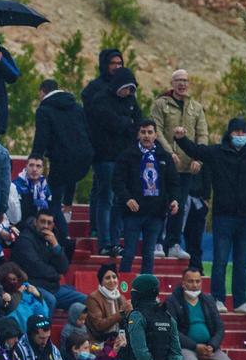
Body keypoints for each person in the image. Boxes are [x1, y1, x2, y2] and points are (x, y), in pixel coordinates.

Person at [175, 118, 246, 313]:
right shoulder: (217, 153)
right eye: (236, 132)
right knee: (220, 260)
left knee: (242, 263)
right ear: (229, 133)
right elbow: (196, 150)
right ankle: (218, 299)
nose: (240, 136)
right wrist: (181, 139)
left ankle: (241, 301)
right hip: (223, 216)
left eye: (243, 132)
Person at [150, 69, 210, 261]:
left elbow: (202, 134)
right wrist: (169, 152)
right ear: (172, 83)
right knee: (160, 203)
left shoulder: (196, 107)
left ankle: (174, 243)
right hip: (163, 164)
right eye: (178, 80)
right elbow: (156, 129)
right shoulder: (161, 104)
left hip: (186, 167)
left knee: (181, 205)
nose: (182, 84)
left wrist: (198, 158)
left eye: (185, 80)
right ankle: (157, 241)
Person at [89, 67, 143, 256]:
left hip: (125, 157)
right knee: (107, 199)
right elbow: (109, 122)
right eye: (126, 88)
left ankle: (115, 240)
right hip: (105, 157)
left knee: (121, 200)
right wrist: (126, 123)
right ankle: (104, 242)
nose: (128, 93)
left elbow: (138, 122)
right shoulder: (101, 98)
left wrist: (127, 124)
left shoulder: (130, 101)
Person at [115, 120, 180, 275]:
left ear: (155, 135)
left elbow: (174, 182)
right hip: (133, 212)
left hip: (156, 213)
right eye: (143, 132)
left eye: (150, 132)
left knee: (149, 254)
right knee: (129, 252)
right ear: (138, 134)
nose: (146, 136)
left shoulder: (164, 156)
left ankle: (147, 291)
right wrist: (127, 199)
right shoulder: (127, 155)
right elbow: (117, 181)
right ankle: (123, 287)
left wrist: (174, 199)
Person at [31, 79, 93, 217]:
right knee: (70, 180)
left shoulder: (44, 110)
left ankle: (62, 233)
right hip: (83, 157)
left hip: (61, 159)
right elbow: (87, 131)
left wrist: (35, 157)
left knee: (53, 200)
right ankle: (67, 212)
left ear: (42, 91)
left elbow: (41, 137)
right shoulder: (76, 107)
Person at [164, 267, 237, 360]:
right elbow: (172, 331)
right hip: (184, 348)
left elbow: (220, 327)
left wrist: (212, 345)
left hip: (209, 348)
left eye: (198, 281)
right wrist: (195, 346)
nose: (195, 285)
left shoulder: (208, 300)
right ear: (183, 283)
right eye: (190, 281)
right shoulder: (172, 301)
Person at [13, 210, 85, 312]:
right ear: (35, 222)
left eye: (49, 223)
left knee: (85, 300)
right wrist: (55, 274)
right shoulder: (25, 239)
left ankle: (75, 328)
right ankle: (44, 328)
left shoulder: (52, 238)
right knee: (50, 300)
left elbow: (64, 268)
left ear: (53, 225)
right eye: (42, 221)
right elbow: (36, 267)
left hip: (52, 287)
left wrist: (56, 245)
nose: (45, 226)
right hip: (31, 285)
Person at [86, 264, 132, 342]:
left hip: (119, 338)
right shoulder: (93, 298)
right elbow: (99, 326)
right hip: (100, 340)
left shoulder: (120, 297)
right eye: (107, 278)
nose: (112, 280)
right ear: (101, 281)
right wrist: (120, 314)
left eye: (114, 277)